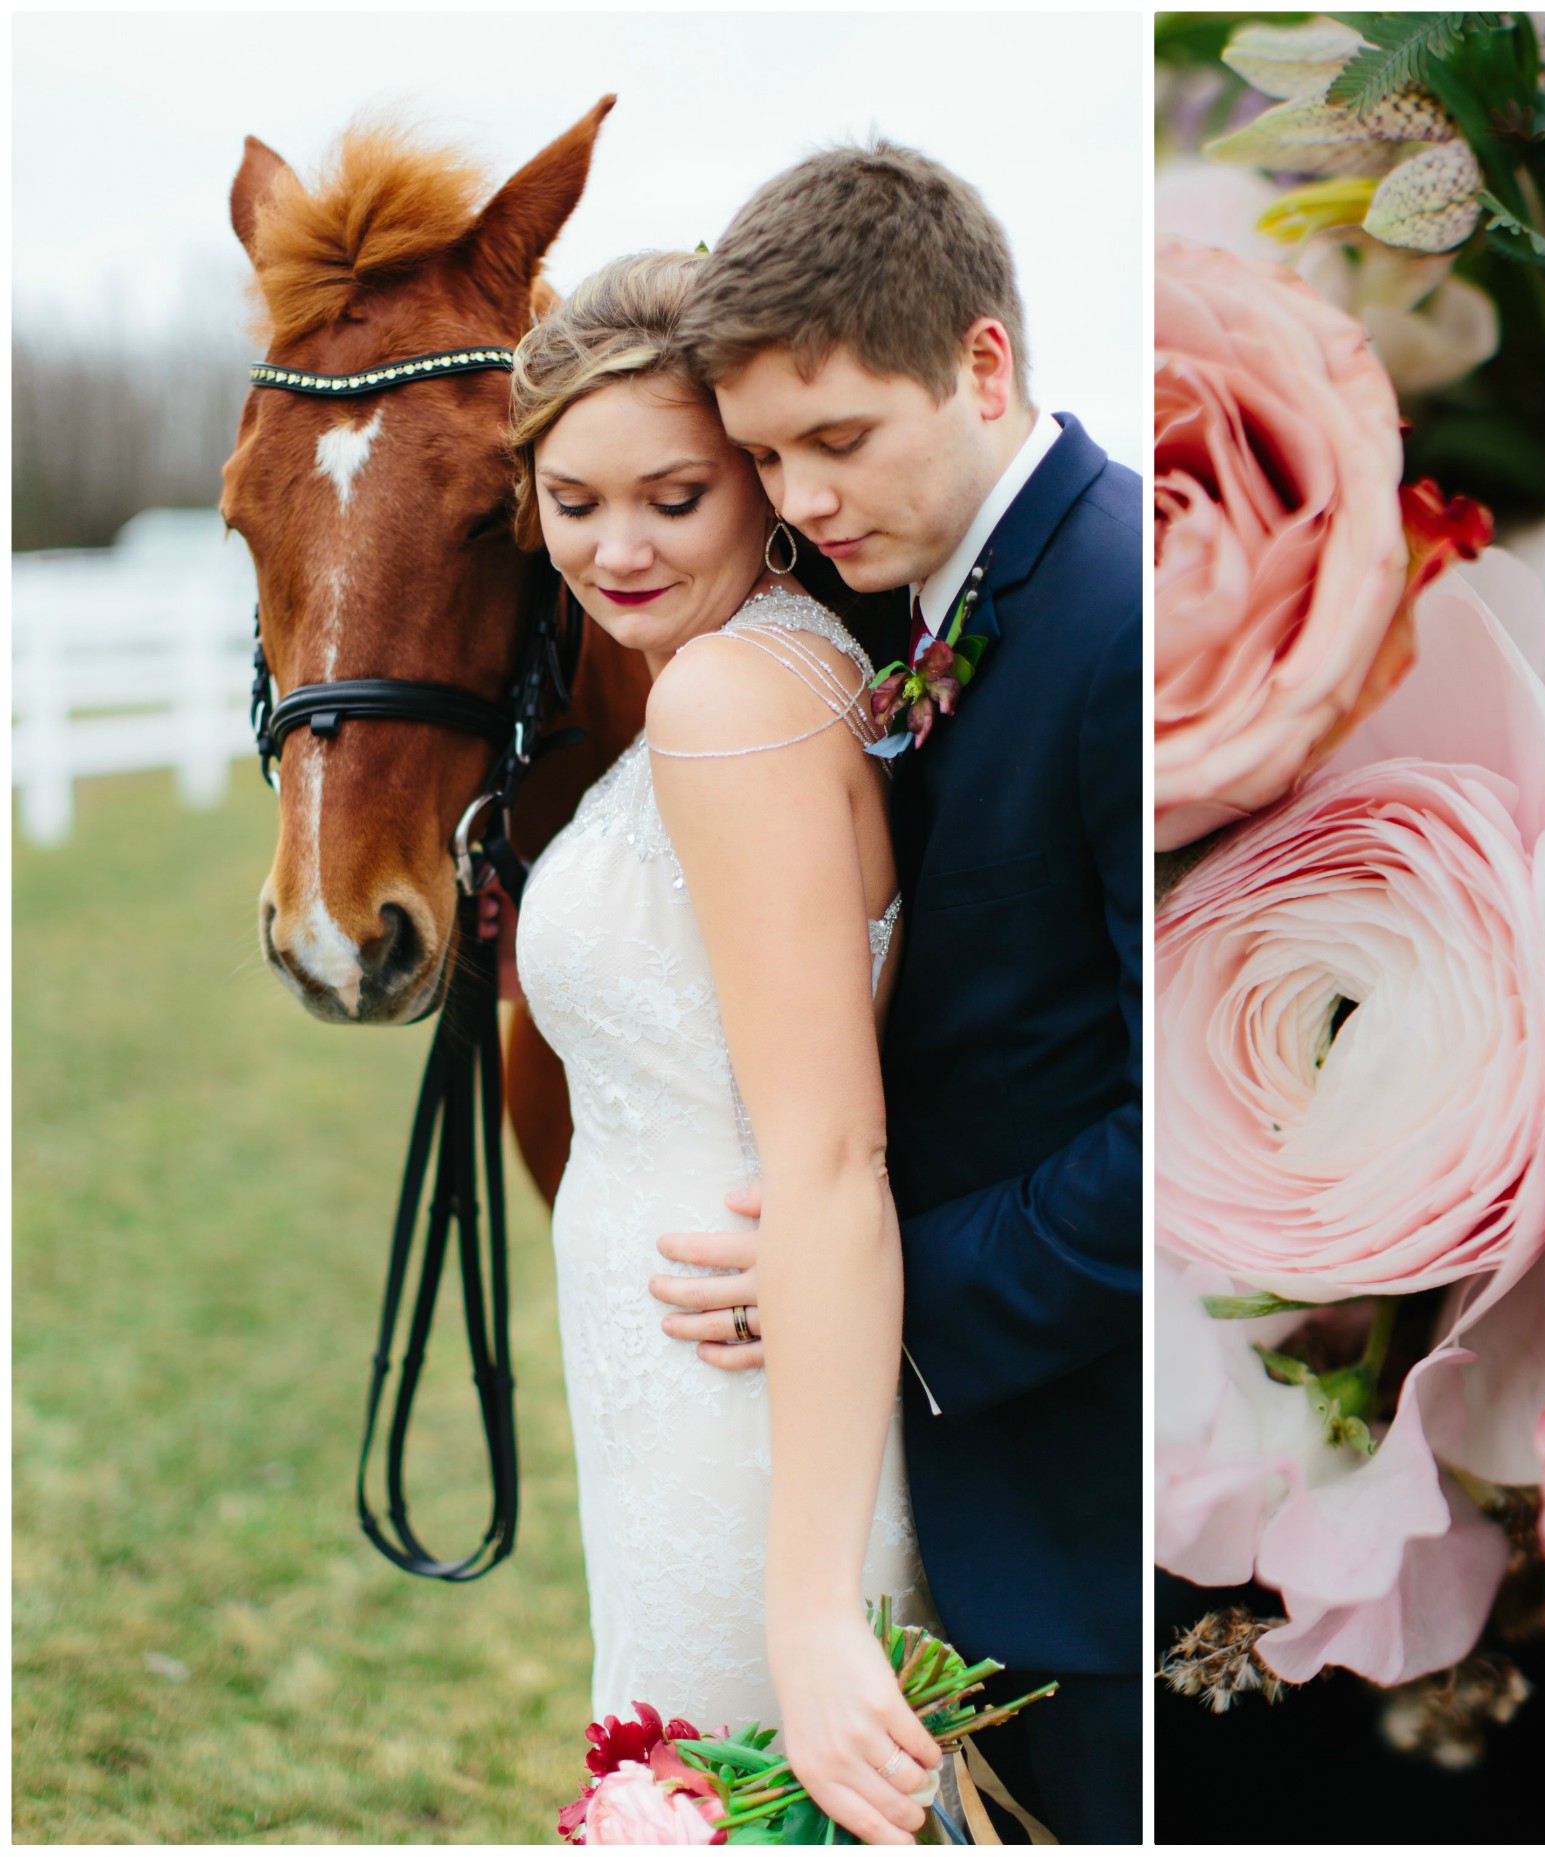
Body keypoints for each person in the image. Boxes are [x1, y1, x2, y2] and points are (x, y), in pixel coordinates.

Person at [656, 143, 1144, 1843]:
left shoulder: (1113, 615)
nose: (801, 497)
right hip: (975, 1512)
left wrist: (868, 1295)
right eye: (768, 456)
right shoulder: (932, 610)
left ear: (984, 363)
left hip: (1097, 1513)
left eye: (840, 439)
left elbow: (1197, 1141)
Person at [508, 251, 949, 1845]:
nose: (613, 548)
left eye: (672, 497)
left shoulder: (724, 703)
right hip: (678, 1390)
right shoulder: (781, 670)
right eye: (572, 499)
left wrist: (810, 1603)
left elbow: (832, 1150)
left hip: (739, 1418)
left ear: (758, 489)